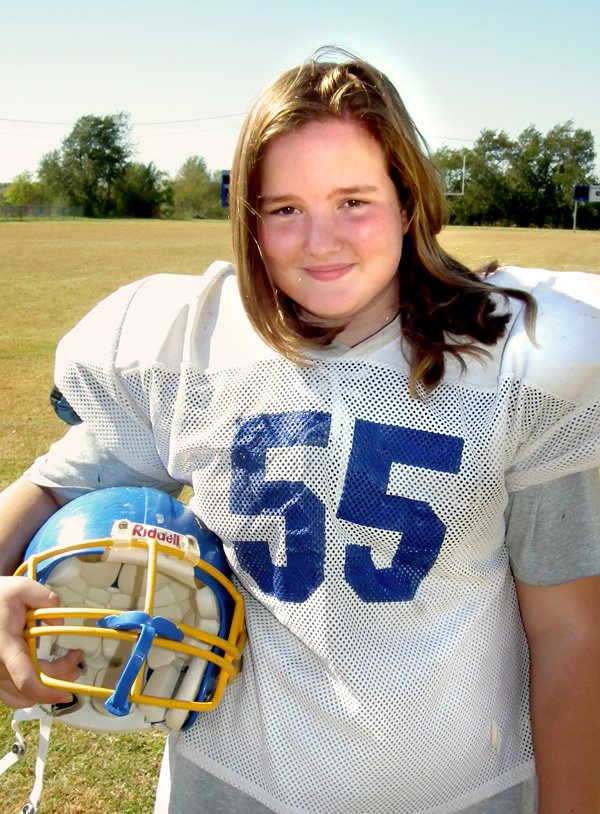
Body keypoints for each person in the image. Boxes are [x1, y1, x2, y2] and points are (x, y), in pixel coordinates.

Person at [1, 47, 600, 814]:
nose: (321, 242)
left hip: (462, 791)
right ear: (249, 220)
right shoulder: (195, 347)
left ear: (409, 199)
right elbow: (54, 483)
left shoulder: (512, 365)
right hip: (230, 788)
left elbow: (571, 632)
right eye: (285, 209)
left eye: (354, 201)